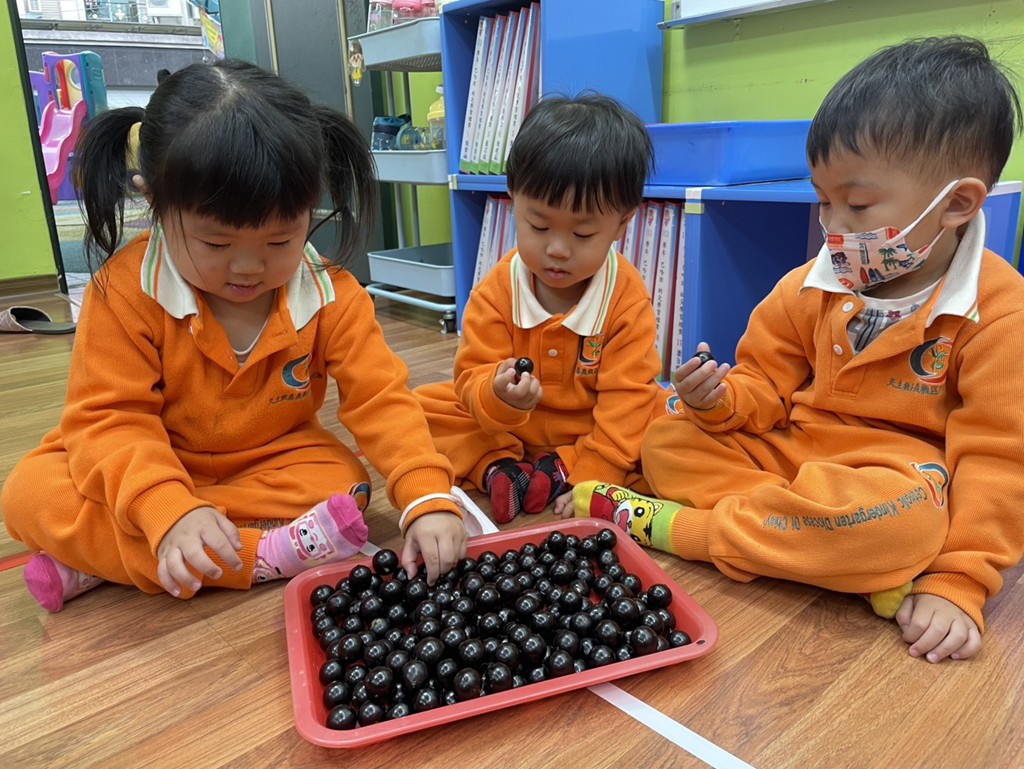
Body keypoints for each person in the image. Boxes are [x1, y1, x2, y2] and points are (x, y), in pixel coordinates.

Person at [573, 37, 1024, 663]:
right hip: (793, 457)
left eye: (856, 204)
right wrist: (717, 402)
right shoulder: (808, 285)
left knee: (906, 526)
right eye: (823, 200)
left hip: (893, 485)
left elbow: (999, 460)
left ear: (956, 204)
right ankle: (843, 559)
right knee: (667, 437)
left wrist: (959, 579)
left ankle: (682, 529)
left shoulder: (1000, 312)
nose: (831, 226)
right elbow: (763, 385)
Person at [1, 59, 467, 612]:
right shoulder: (124, 291)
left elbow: (381, 400)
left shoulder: (332, 295)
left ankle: (104, 557)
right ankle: (258, 554)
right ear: (153, 200)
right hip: (154, 455)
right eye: (217, 244)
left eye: (280, 241)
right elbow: (110, 420)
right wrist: (166, 505)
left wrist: (427, 495)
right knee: (31, 491)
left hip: (270, 460)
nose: (248, 268)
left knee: (343, 482)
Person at [414, 93, 676, 523]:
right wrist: (496, 393)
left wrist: (596, 475)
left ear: (622, 224)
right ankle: (499, 467)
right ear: (513, 198)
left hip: (589, 432)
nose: (557, 249)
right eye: (538, 226)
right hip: (508, 430)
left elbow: (627, 398)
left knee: (660, 418)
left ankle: (559, 467)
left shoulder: (625, 298)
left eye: (583, 234)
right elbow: (472, 376)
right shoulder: (498, 289)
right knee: (421, 408)